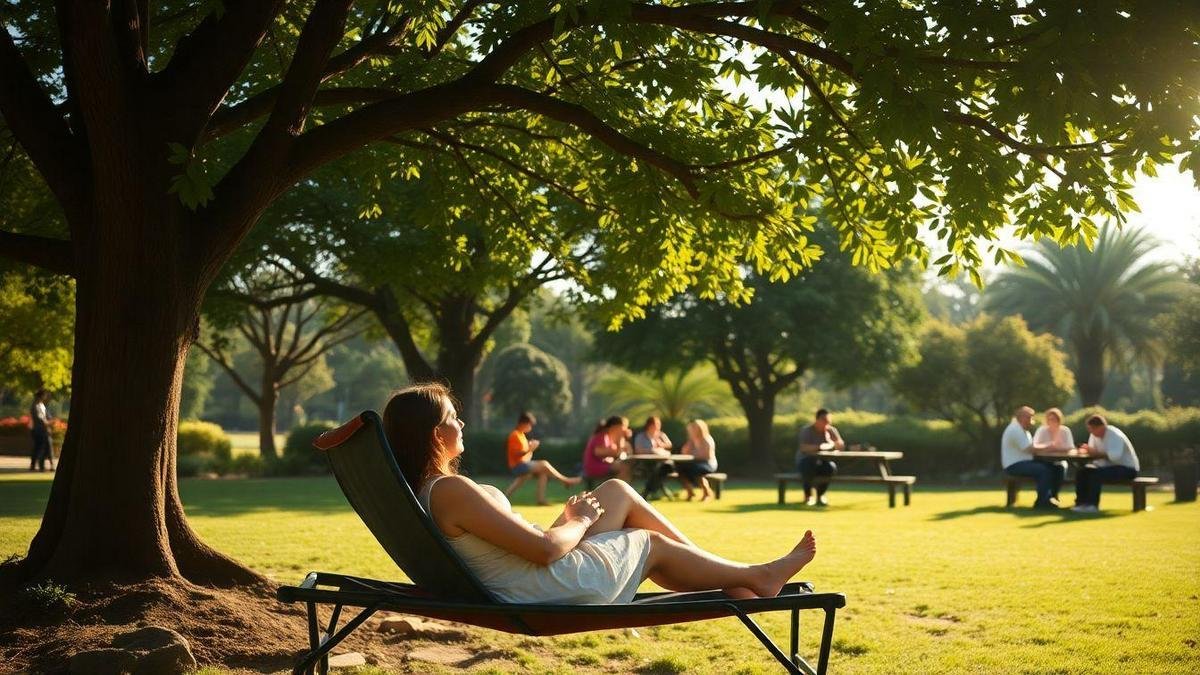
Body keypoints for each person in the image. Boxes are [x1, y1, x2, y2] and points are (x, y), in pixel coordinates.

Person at [383, 383, 818, 604]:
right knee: (649, 542)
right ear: (435, 435)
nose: (462, 425)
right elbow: (543, 551)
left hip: (527, 575)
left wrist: (571, 521)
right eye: (454, 418)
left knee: (616, 490)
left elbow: (513, 549)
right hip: (541, 586)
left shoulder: (428, 491)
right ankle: (748, 577)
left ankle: (734, 577)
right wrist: (578, 521)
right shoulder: (451, 490)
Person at [503, 412, 581, 505]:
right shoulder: (515, 435)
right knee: (544, 464)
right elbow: (516, 454)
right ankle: (565, 480)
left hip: (523, 464)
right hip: (518, 466)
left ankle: (540, 499)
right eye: (530, 425)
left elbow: (526, 455)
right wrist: (530, 449)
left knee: (542, 472)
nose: (530, 428)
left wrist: (531, 449)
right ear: (523, 423)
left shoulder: (522, 436)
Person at [1072, 414, 1140, 513]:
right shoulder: (1094, 435)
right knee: (1082, 472)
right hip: (1106, 467)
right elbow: (1094, 454)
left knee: (1095, 475)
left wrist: (1094, 452)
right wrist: (1086, 451)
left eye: (1093, 429)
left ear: (1101, 427)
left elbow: (1115, 456)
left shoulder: (1114, 435)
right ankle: (1081, 503)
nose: (1091, 432)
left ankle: (1092, 505)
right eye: (1090, 429)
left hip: (1127, 469)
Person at [1001, 405, 1063, 509]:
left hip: (1023, 463)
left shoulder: (1023, 430)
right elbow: (1030, 449)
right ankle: (1042, 502)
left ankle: (1052, 497)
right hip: (1014, 465)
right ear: (1022, 417)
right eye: (1030, 417)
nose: (1032, 420)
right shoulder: (1015, 429)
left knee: (1057, 467)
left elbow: (1031, 449)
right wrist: (1049, 445)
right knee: (1043, 470)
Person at [796, 409, 844, 506]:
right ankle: (808, 496)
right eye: (824, 420)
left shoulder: (831, 430)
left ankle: (820, 496)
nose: (826, 423)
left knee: (831, 468)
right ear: (817, 420)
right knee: (808, 467)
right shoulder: (807, 431)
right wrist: (819, 446)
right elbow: (803, 448)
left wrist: (832, 442)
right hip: (806, 460)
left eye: (828, 421)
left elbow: (840, 445)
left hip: (823, 461)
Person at [583, 416, 632, 483]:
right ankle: (619, 491)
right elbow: (598, 452)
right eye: (621, 428)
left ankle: (618, 490)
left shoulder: (608, 437)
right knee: (624, 467)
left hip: (602, 465)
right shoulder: (601, 436)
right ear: (614, 427)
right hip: (595, 467)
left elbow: (619, 453)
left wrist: (621, 439)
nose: (622, 430)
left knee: (626, 466)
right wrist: (619, 439)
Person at [633, 416, 673, 497]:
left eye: (659, 424)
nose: (658, 427)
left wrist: (661, 445)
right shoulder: (641, 437)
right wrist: (651, 451)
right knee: (656, 470)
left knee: (666, 467)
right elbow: (638, 450)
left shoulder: (661, 435)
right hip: (646, 462)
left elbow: (669, 445)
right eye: (656, 424)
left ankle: (646, 492)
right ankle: (650, 492)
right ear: (649, 425)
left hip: (662, 461)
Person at [678, 419, 718, 501]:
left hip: (708, 463)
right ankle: (690, 492)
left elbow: (707, 456)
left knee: (697, 470)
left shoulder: (707, 440)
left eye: (694, 429)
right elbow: (684, 452)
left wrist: (692, 455)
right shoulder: (693, 440)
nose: (693, 431)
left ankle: (706, 493)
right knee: (680, 469)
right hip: (696, 463)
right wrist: (690, 441)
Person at [29, 389, 53, 472]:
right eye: (44, 395)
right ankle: (41, 466)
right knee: (41, 447)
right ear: (41, 396)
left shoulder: (40, 405)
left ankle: (34, 465)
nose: (46, 396)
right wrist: (47, 423)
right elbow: (41, 418)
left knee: (38, 447)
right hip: (39, 429)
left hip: (41, 429)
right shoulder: (36, 405)